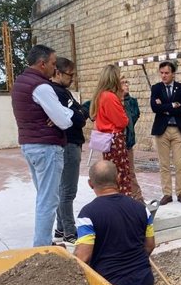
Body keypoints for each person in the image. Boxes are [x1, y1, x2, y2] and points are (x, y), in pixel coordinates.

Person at [11, 44, 73, 247]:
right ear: (42, 63)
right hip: (47, 147)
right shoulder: (42, 87)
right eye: (54, 64)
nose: (55, 69)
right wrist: (70, 113)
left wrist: (58, 115)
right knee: (48, 200)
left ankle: (44, 243)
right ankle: (43, 246)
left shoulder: (20, 82)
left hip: (29, 145)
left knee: (44, 197)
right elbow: (64, 120)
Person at [49, 57, 88, 244]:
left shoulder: (63, 92)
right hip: (69, 144)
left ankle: (61, 227)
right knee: (67, 191)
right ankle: (70, 231)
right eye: (70, 74)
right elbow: (78, 119)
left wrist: (79, 113)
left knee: (61, 189)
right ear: (58, 72)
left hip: (69, 143)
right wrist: (79, 114)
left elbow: (79, 112)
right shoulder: (58, 93)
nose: (72, 78)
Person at [150, 61, 181, 205]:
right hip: (162, 130)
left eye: (167, 73)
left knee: (179, 163)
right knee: (164, 164)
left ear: (173, 73)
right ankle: (167, 194)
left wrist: (165, 107)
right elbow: (154, 107)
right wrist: (173, 105)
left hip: (178, 129)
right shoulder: (156, 88)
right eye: (161, 73)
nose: (164, 76)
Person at [89, 65, 132, 196]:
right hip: (115, 140)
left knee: (111, 173)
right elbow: (123, 121)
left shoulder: (100, 96)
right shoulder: (110, 97)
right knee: (121, 174)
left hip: (107, 140)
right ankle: (123, 201)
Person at [122, 78, 145, 202]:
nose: (126, 85)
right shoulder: (112, 99)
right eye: (123, 82)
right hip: (113, 144)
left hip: (128, 142)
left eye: (127, 82)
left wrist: (129, 129)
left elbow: (135, 116)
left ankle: (138, 198)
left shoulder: (132, 102)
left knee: (130, 171)